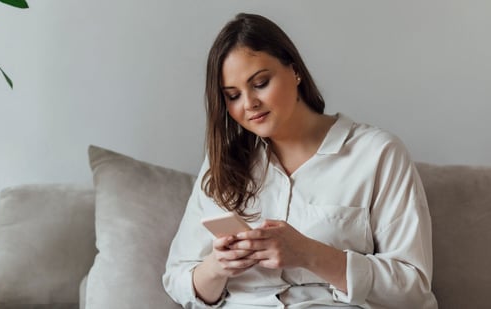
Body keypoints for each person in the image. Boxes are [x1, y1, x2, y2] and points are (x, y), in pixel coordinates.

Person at [163, 12, 438, 308]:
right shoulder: (224, 161)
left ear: (295, 71)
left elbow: (412, 289)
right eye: (232, 95)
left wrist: (309, 254)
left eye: (260, 83)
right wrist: (218, 266)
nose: (248, 104)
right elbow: (177, 279)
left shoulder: (377, 154)